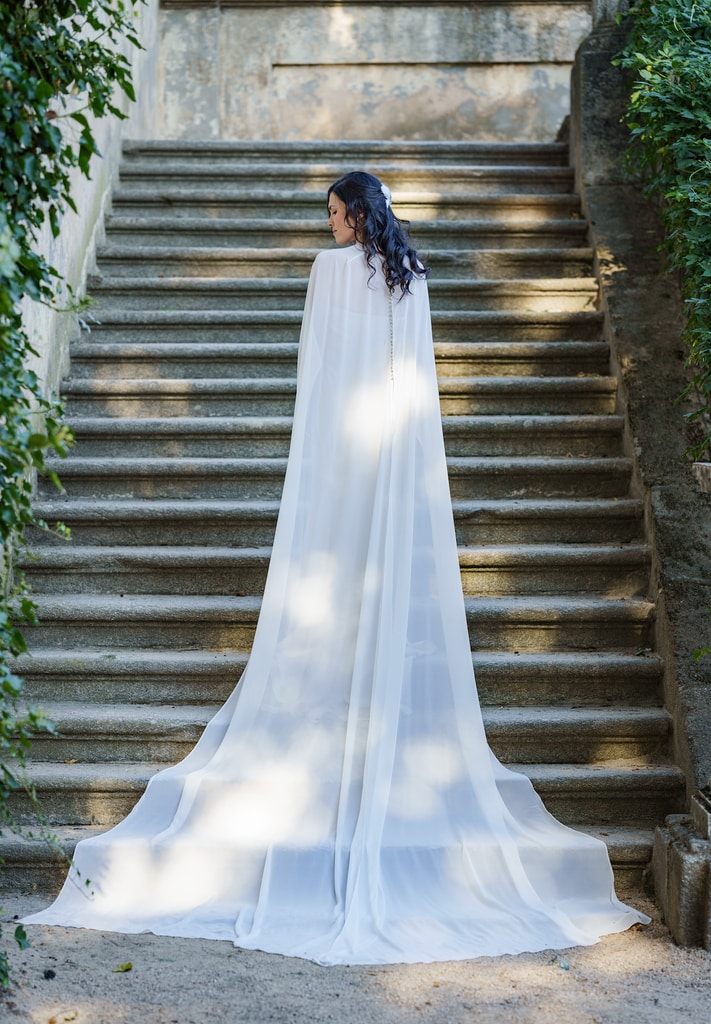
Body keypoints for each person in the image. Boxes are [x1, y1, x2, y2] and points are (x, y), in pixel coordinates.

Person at [24, 171, 649, 965]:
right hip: (392, 454)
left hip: (339, 456)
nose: (327, 226)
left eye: (333, 212)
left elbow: (316, 374)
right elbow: (412, 380)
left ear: (357, 213)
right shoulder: (408, 274)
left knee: (332, 587)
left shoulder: (328, 274)